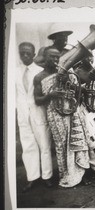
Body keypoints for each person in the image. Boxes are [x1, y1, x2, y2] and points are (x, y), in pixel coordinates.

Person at [33, 46, 91, 187]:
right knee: (62, 144)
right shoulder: (39, 77)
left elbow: (79, 91)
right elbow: (37, 99)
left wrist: (70, 82)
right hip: (55, 115)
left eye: (56, 57)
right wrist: (51, 95)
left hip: (72, 112)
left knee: (78, 141)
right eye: (51, 57)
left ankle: (80, 175)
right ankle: (66, 176)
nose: (55, 60)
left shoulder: (67, 72)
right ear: (44, 59)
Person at [16, 42, 53, 192]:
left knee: (44, 145)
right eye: (22, 53)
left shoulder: (40, 72)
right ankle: (32, 177)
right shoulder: (14, 71)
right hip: (23, 114)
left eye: (28, 53)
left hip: (38, 112)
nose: (25, 56)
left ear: (34, 54)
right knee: (28, 146)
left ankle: (47, 176)